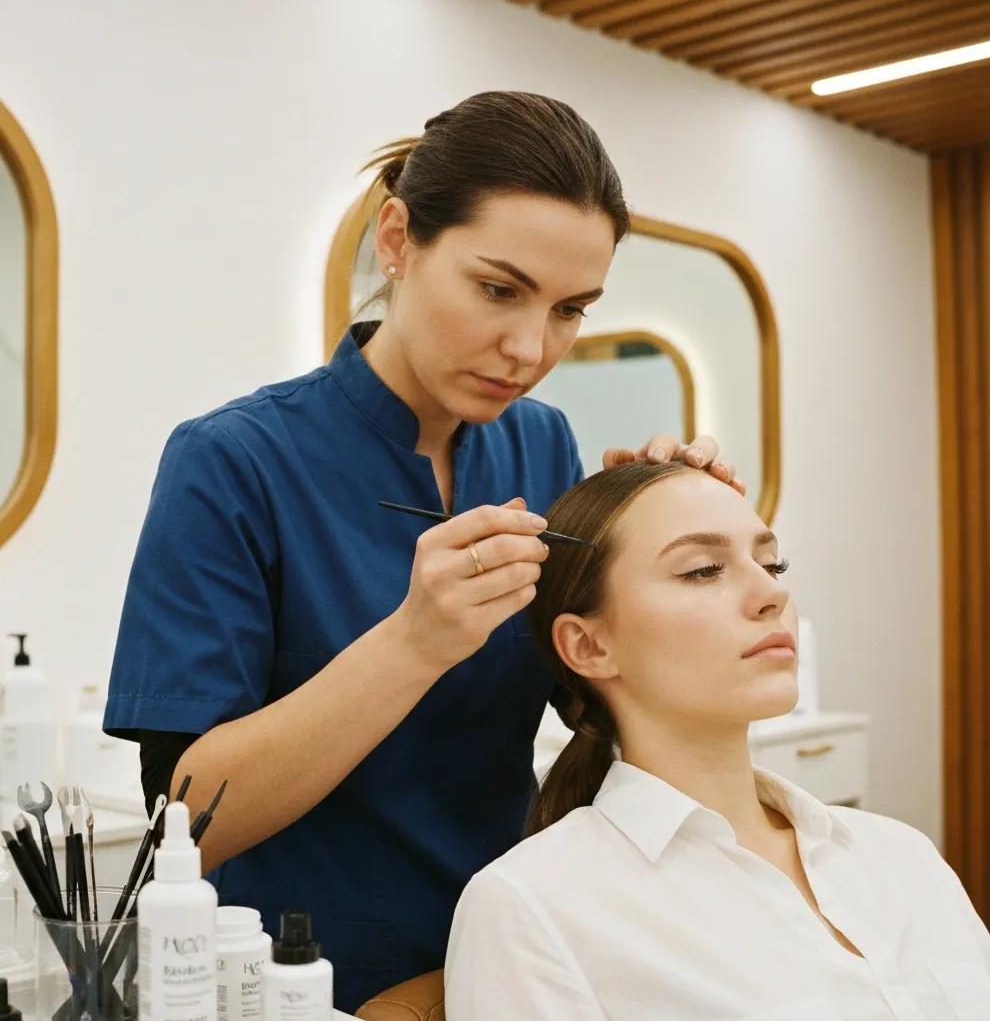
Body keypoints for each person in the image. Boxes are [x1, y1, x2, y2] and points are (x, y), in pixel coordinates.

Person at [102, 91, 737, 1013]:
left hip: (509, 955)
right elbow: (187, 818)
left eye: (570, 310)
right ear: (397, 240)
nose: (529, 347)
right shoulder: (232, 462)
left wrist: (671, 544)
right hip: (304, 978)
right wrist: (413, 642)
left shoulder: (540, 445)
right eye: (498, 289)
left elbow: (592, 699)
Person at [445, 460, 990, 1020]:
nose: (771, 596)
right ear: (589, 646)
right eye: (702, 570)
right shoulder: (532, 909)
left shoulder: (900, 855)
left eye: (773, 565)